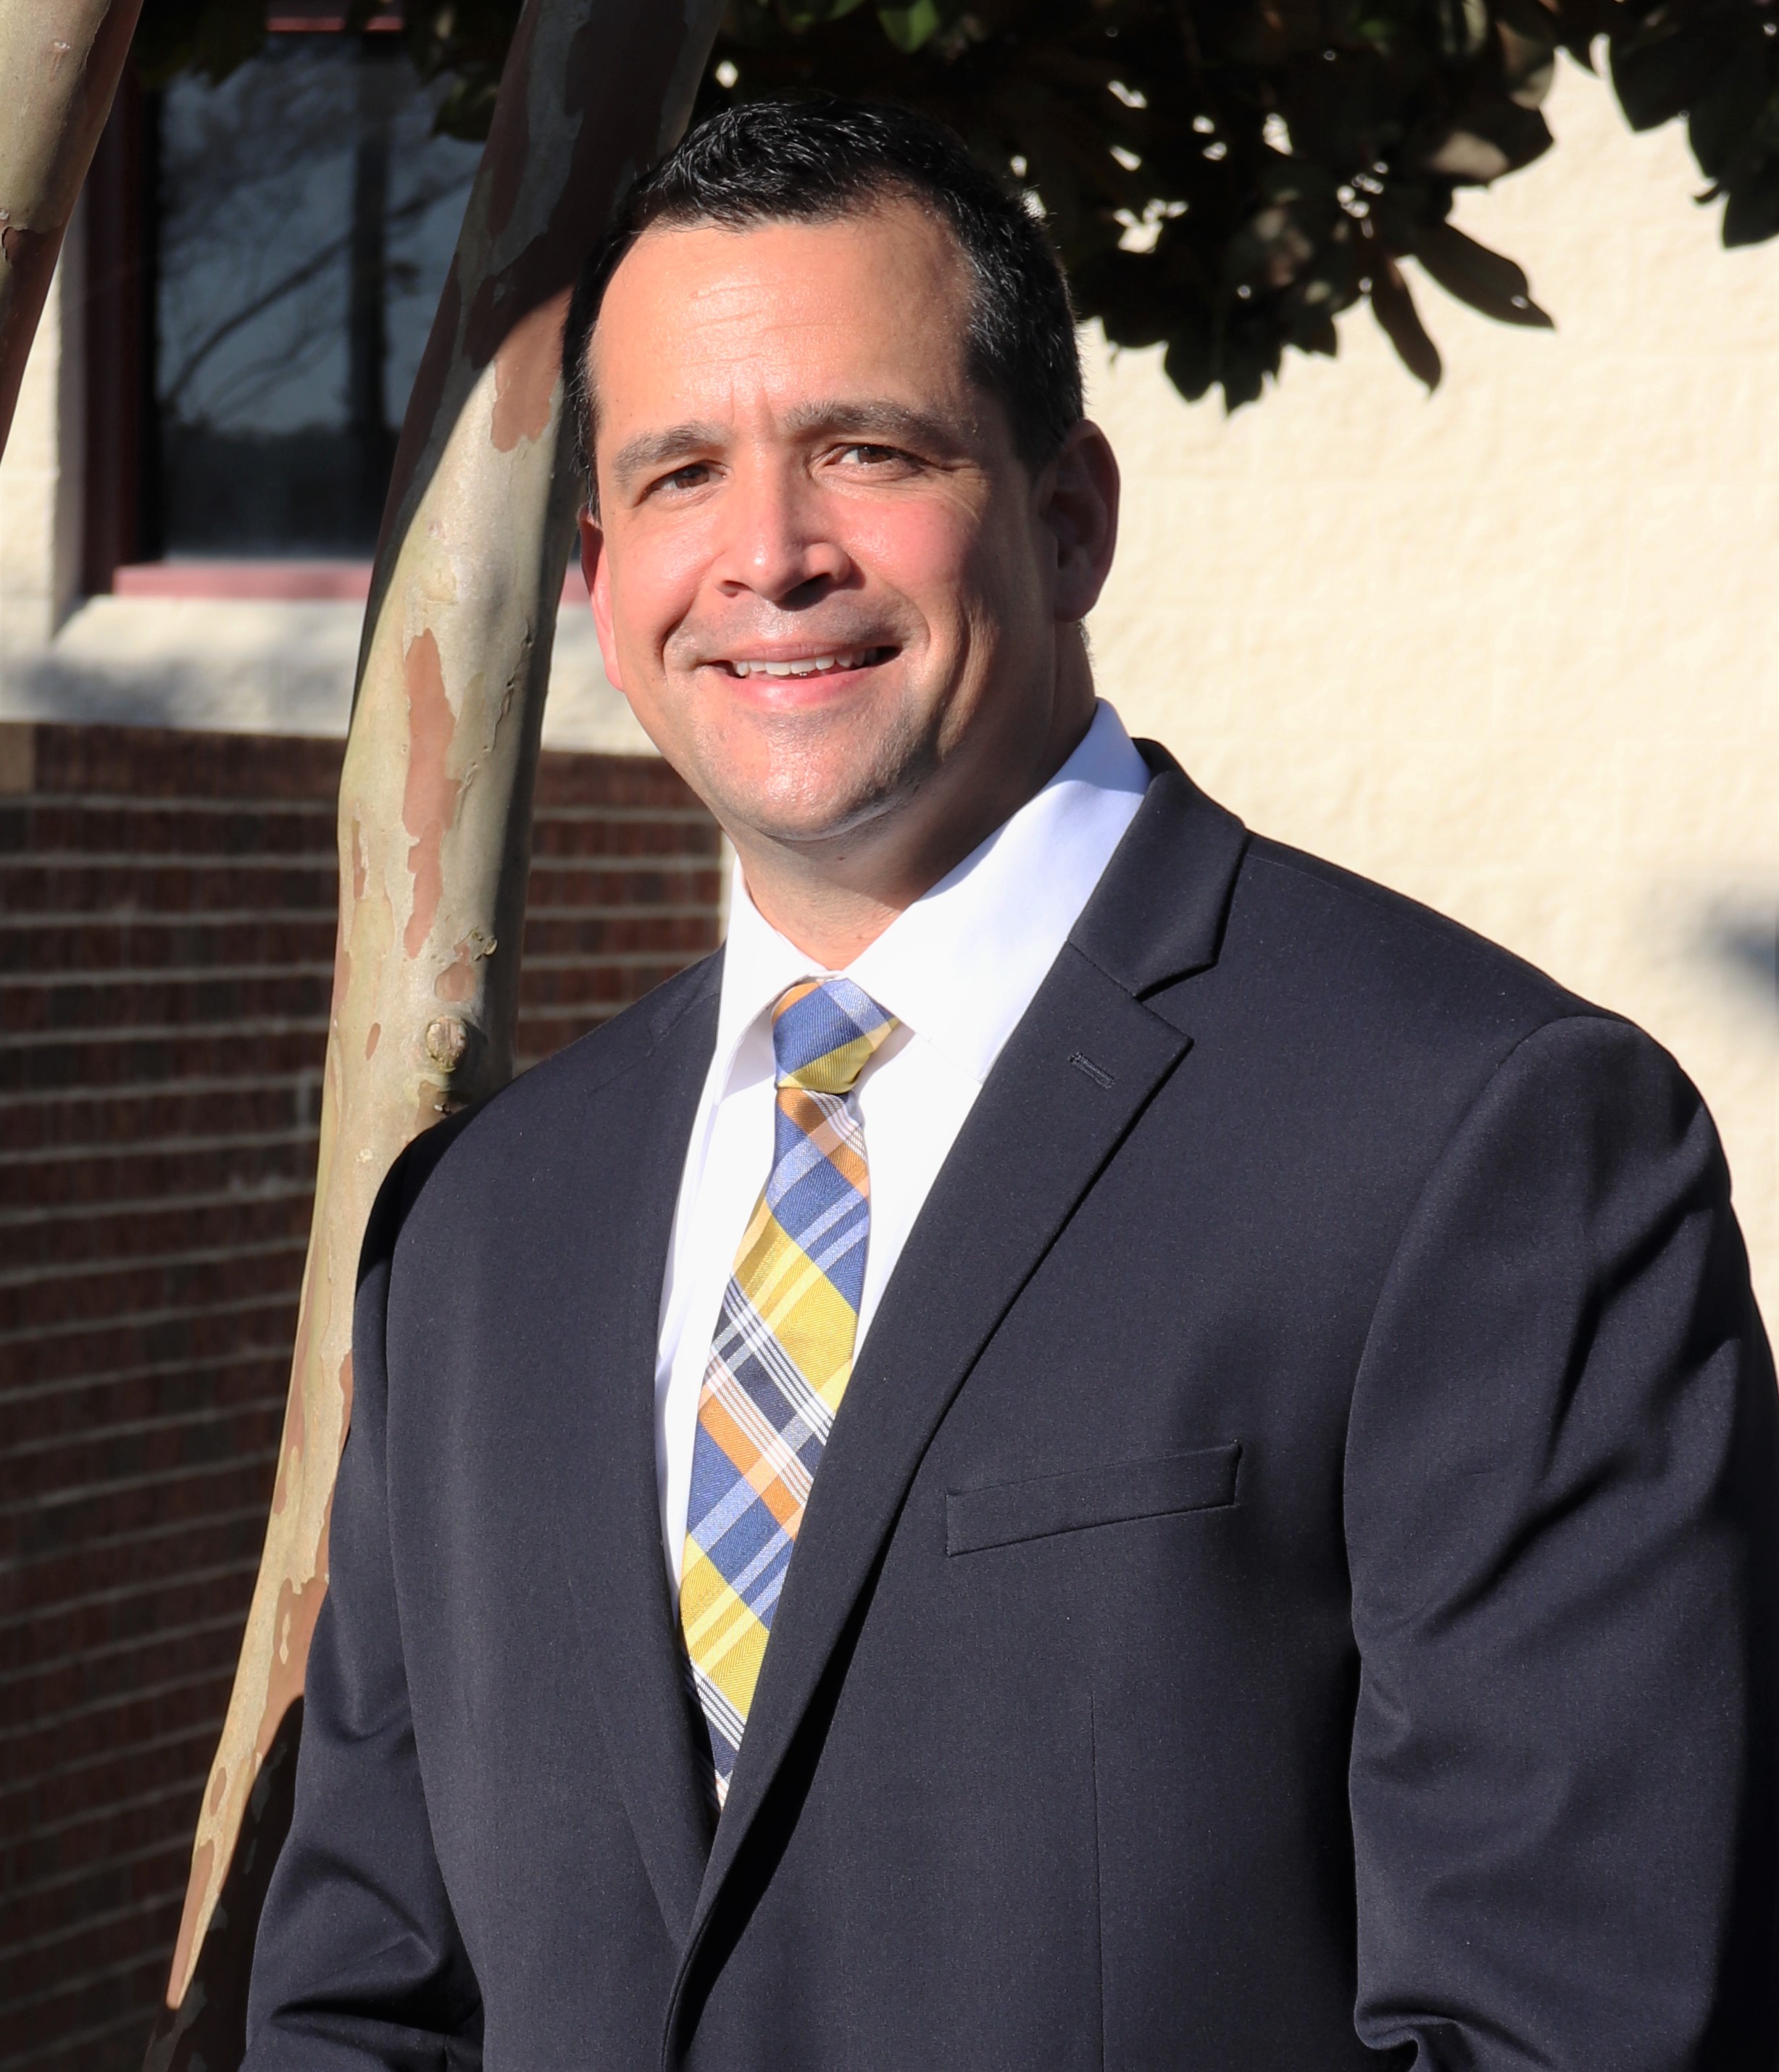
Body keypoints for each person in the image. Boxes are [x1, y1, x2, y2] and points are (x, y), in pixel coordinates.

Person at [243, 96, 1779, 2070]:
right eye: (685, 474)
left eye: (867, 453)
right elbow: (367, 2006)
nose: (770, 556)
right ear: (605, 581)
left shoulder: (1484, 1143)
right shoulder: (477, 1232)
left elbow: (1573, 2030)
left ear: (1070, 520)